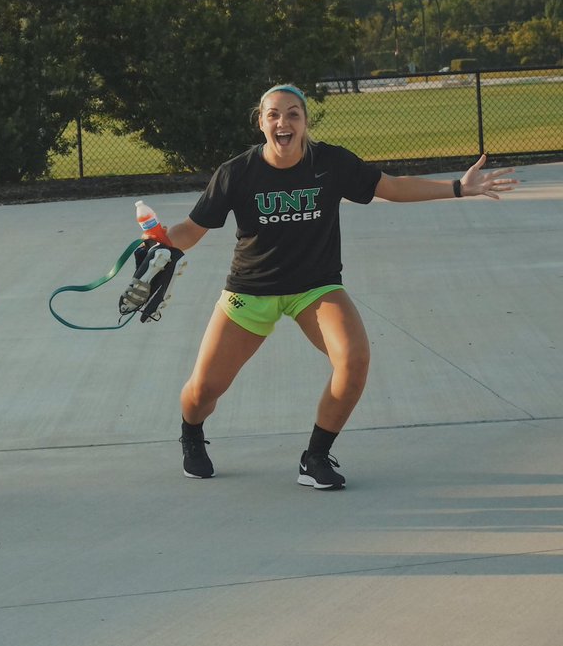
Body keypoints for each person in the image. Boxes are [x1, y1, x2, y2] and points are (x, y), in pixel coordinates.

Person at [161, 84, 518, 490]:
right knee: (203, 390)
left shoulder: (330, 163)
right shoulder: (236, 173)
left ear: (305, 122)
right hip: (251, 290)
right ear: (261, 122)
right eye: (274, 114)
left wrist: (457, 187)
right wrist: (159, 242)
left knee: (354, 360)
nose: (284, 122)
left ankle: (314, 457)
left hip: (316, 287)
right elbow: (191, 230)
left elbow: (393, 187)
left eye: (294, 113)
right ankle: (191, 430)